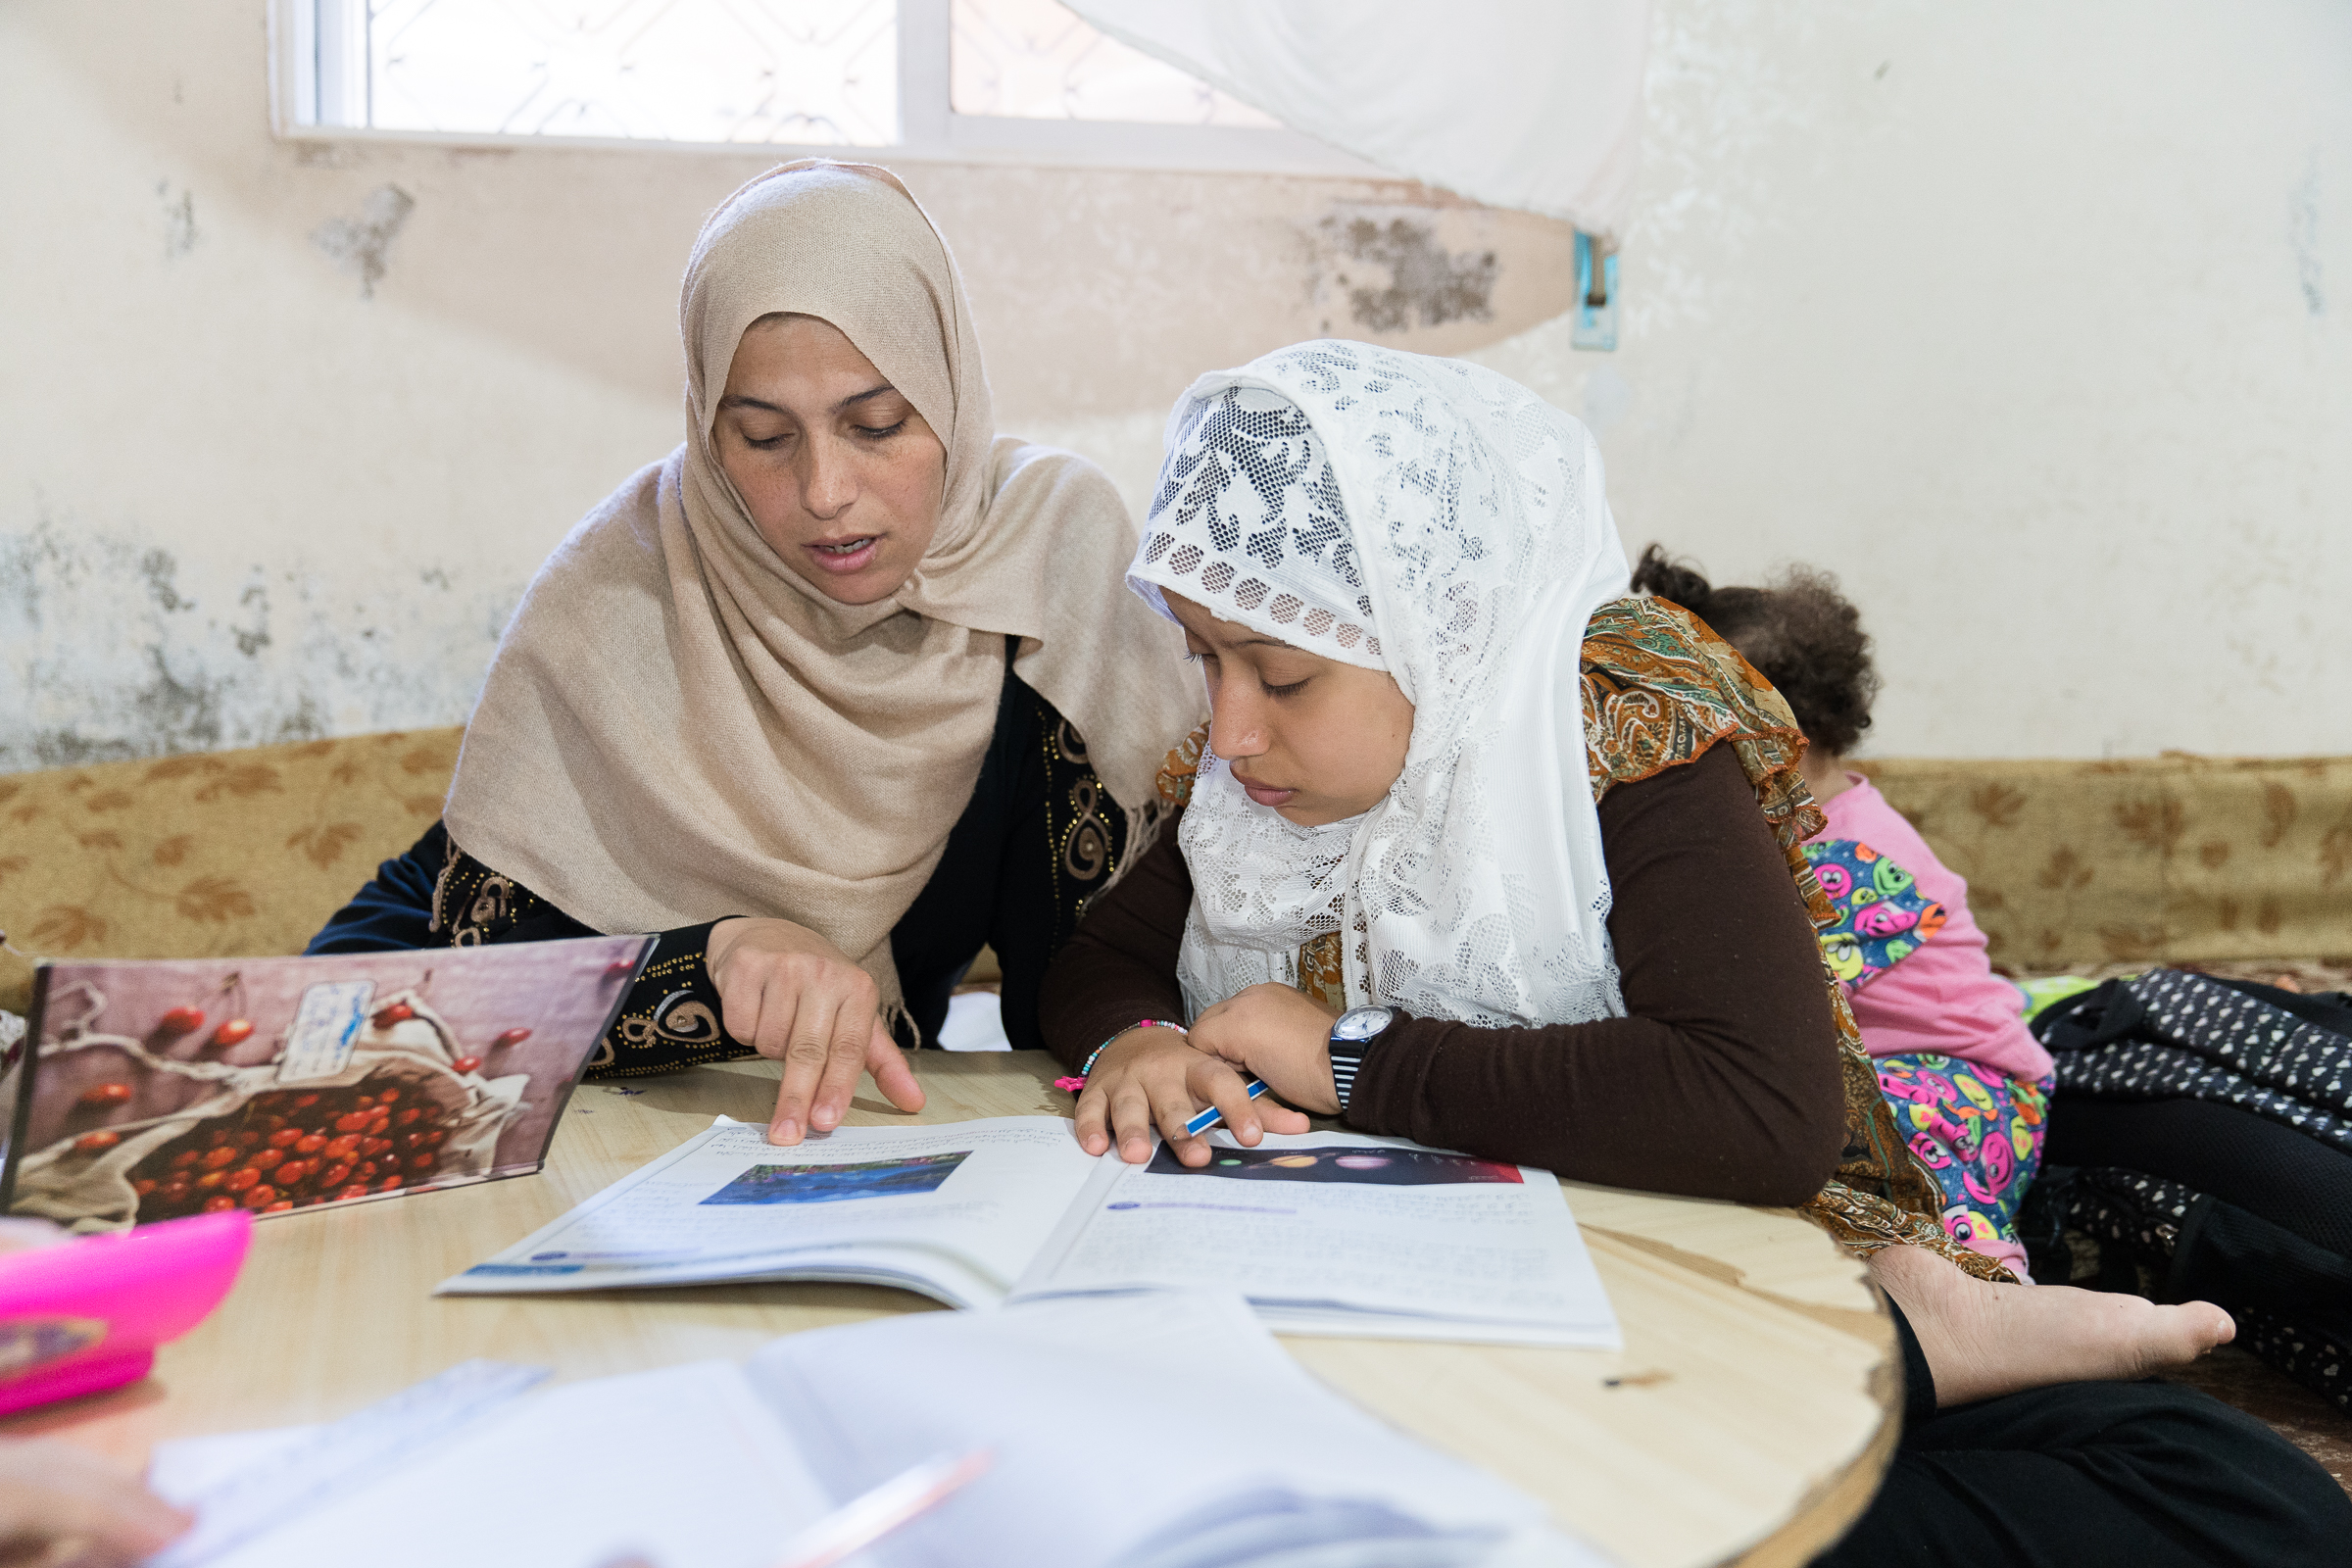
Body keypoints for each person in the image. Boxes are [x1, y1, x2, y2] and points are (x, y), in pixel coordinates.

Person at [1038, 341, 2351, 1564]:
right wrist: (1136, 1040)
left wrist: (1349, 1059)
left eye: (1280, 675)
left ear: (1433, 623)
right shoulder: (1249, 803)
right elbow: (1097, 965)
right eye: (1204, 659)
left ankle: (1890, 1346)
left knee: (2253, 1501)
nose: (1231, 735)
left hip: (1688, 1277)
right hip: (1450, 1329)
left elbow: (1762, 1110)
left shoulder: (1619, 736)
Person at [310, 161, 1200, 1146]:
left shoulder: (1040, 572)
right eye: (764, 437)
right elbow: (361, 988)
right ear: (705, 431)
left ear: (949, 390)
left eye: (878, 424)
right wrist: (708, 961)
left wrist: (1134, 1035)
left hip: (871, 1152)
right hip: (626, 1175)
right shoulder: (629, 587)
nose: (826, 490)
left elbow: (1091, 974)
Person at [1627, 549, 2056, 1281]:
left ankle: (1993, 1284)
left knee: (1873, 1143)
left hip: (1967, 1090)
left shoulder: (1853, 858)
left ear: (1775, 736)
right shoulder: (1787, 827)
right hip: (1870, 1067)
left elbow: (1759, 1000)